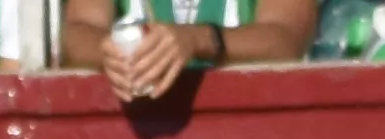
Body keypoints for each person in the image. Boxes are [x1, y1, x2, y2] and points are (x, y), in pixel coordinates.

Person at [54, 0, 295, 96]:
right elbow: (77, 32)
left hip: (247, 137)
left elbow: (287, 40)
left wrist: (197, 40)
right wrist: (108, 53)